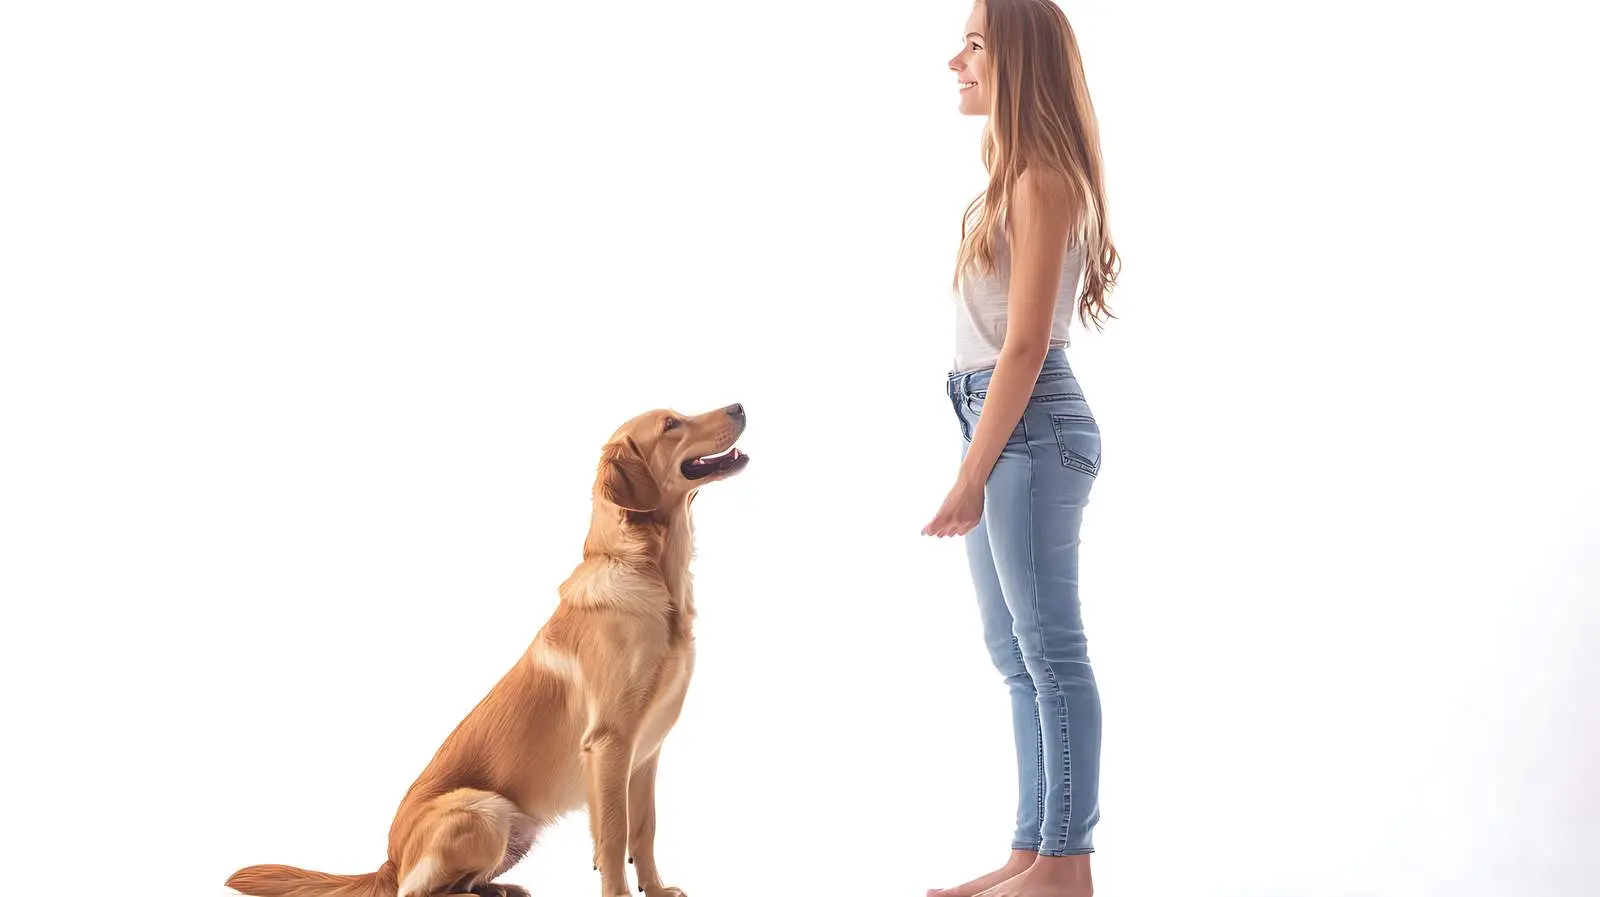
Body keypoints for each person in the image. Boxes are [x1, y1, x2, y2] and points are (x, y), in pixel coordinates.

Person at [921, 2, 1120, 896]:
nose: (953, 60)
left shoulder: (1043, 179)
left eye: (973, 44)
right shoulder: (1008, 179)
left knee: (1050, 647)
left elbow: (1028, 343)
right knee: (1014, 651)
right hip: (997, 420)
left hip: (1029, 423)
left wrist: (971, 474)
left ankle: (1067, 864)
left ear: (1019, 62)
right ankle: (1032, 850)